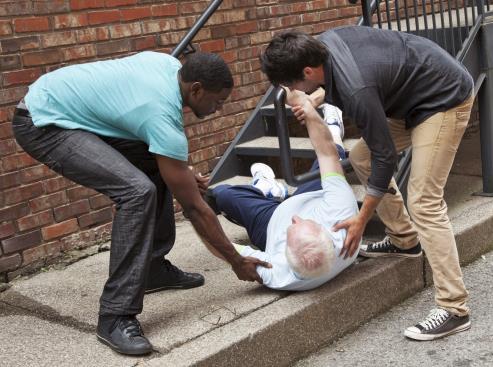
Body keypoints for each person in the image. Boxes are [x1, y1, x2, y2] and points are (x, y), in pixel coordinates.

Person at [12, 51, 270, 356]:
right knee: (137, 192)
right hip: (43, 122)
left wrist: (183, 173)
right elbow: (195, 209)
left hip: (67, 108)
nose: (219, 108)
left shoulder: (172, 68)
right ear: (196, 89)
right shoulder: (159, 112)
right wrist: (236, 260)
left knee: (159, 169)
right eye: (218, 101)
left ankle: (151, 270)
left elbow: (156, 141)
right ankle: (114, 316)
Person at [260, 25, 474, 340]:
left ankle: (454, 308)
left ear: (307, 70)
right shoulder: (323, 45)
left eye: (290, 84)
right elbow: (344, 90)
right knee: (362, 157)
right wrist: (316, 97)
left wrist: (362, 219)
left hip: (443, 98)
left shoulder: (355, 88)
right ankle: (405, 240)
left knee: (424, 202)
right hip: (409, 96)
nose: (290, 89)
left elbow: (386, 156)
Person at [206, 91, 359, 290]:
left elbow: (218, 246)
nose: (295, 218)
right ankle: (334, 127)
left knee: (221, 194)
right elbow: (326, 153)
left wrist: (192, 207)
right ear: (327, 234)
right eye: (306, 222)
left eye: (291, 228)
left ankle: (268, 187)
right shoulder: (342, 218)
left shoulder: (278, 272)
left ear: (284, 255)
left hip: (270, 223)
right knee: (333, 159)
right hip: (310, 198)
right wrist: (307, 108)